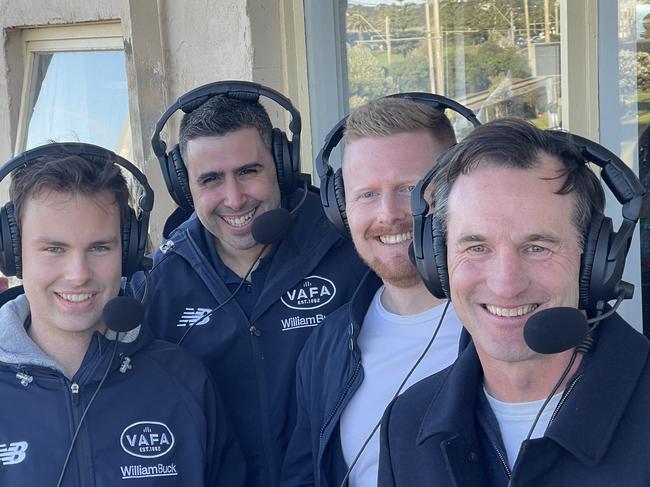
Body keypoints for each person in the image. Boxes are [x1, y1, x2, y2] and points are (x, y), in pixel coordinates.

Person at [378, 118, 650, 486]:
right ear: (437, 261)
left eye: (536, 247)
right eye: (476, 247)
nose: (506, 285)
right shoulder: (406, 424)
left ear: (596, 263)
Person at [129, 84, 367, 487]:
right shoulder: (155, 287)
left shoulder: (353, 254)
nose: (234, 199)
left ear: (282, 163)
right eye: (210, 180)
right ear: (185, 187)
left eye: (248, 171)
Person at [0, 144, 245, 486]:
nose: (78, 273)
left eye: (100, 247)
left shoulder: (185, 380)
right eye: (54, 248)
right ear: (14, 255)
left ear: (128, 252)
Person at [280, 97, 464, 487]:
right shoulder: (327, 346)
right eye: (366, 194)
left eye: (411, 189)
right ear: (339, 207)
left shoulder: (510, 323)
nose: (389, 214)